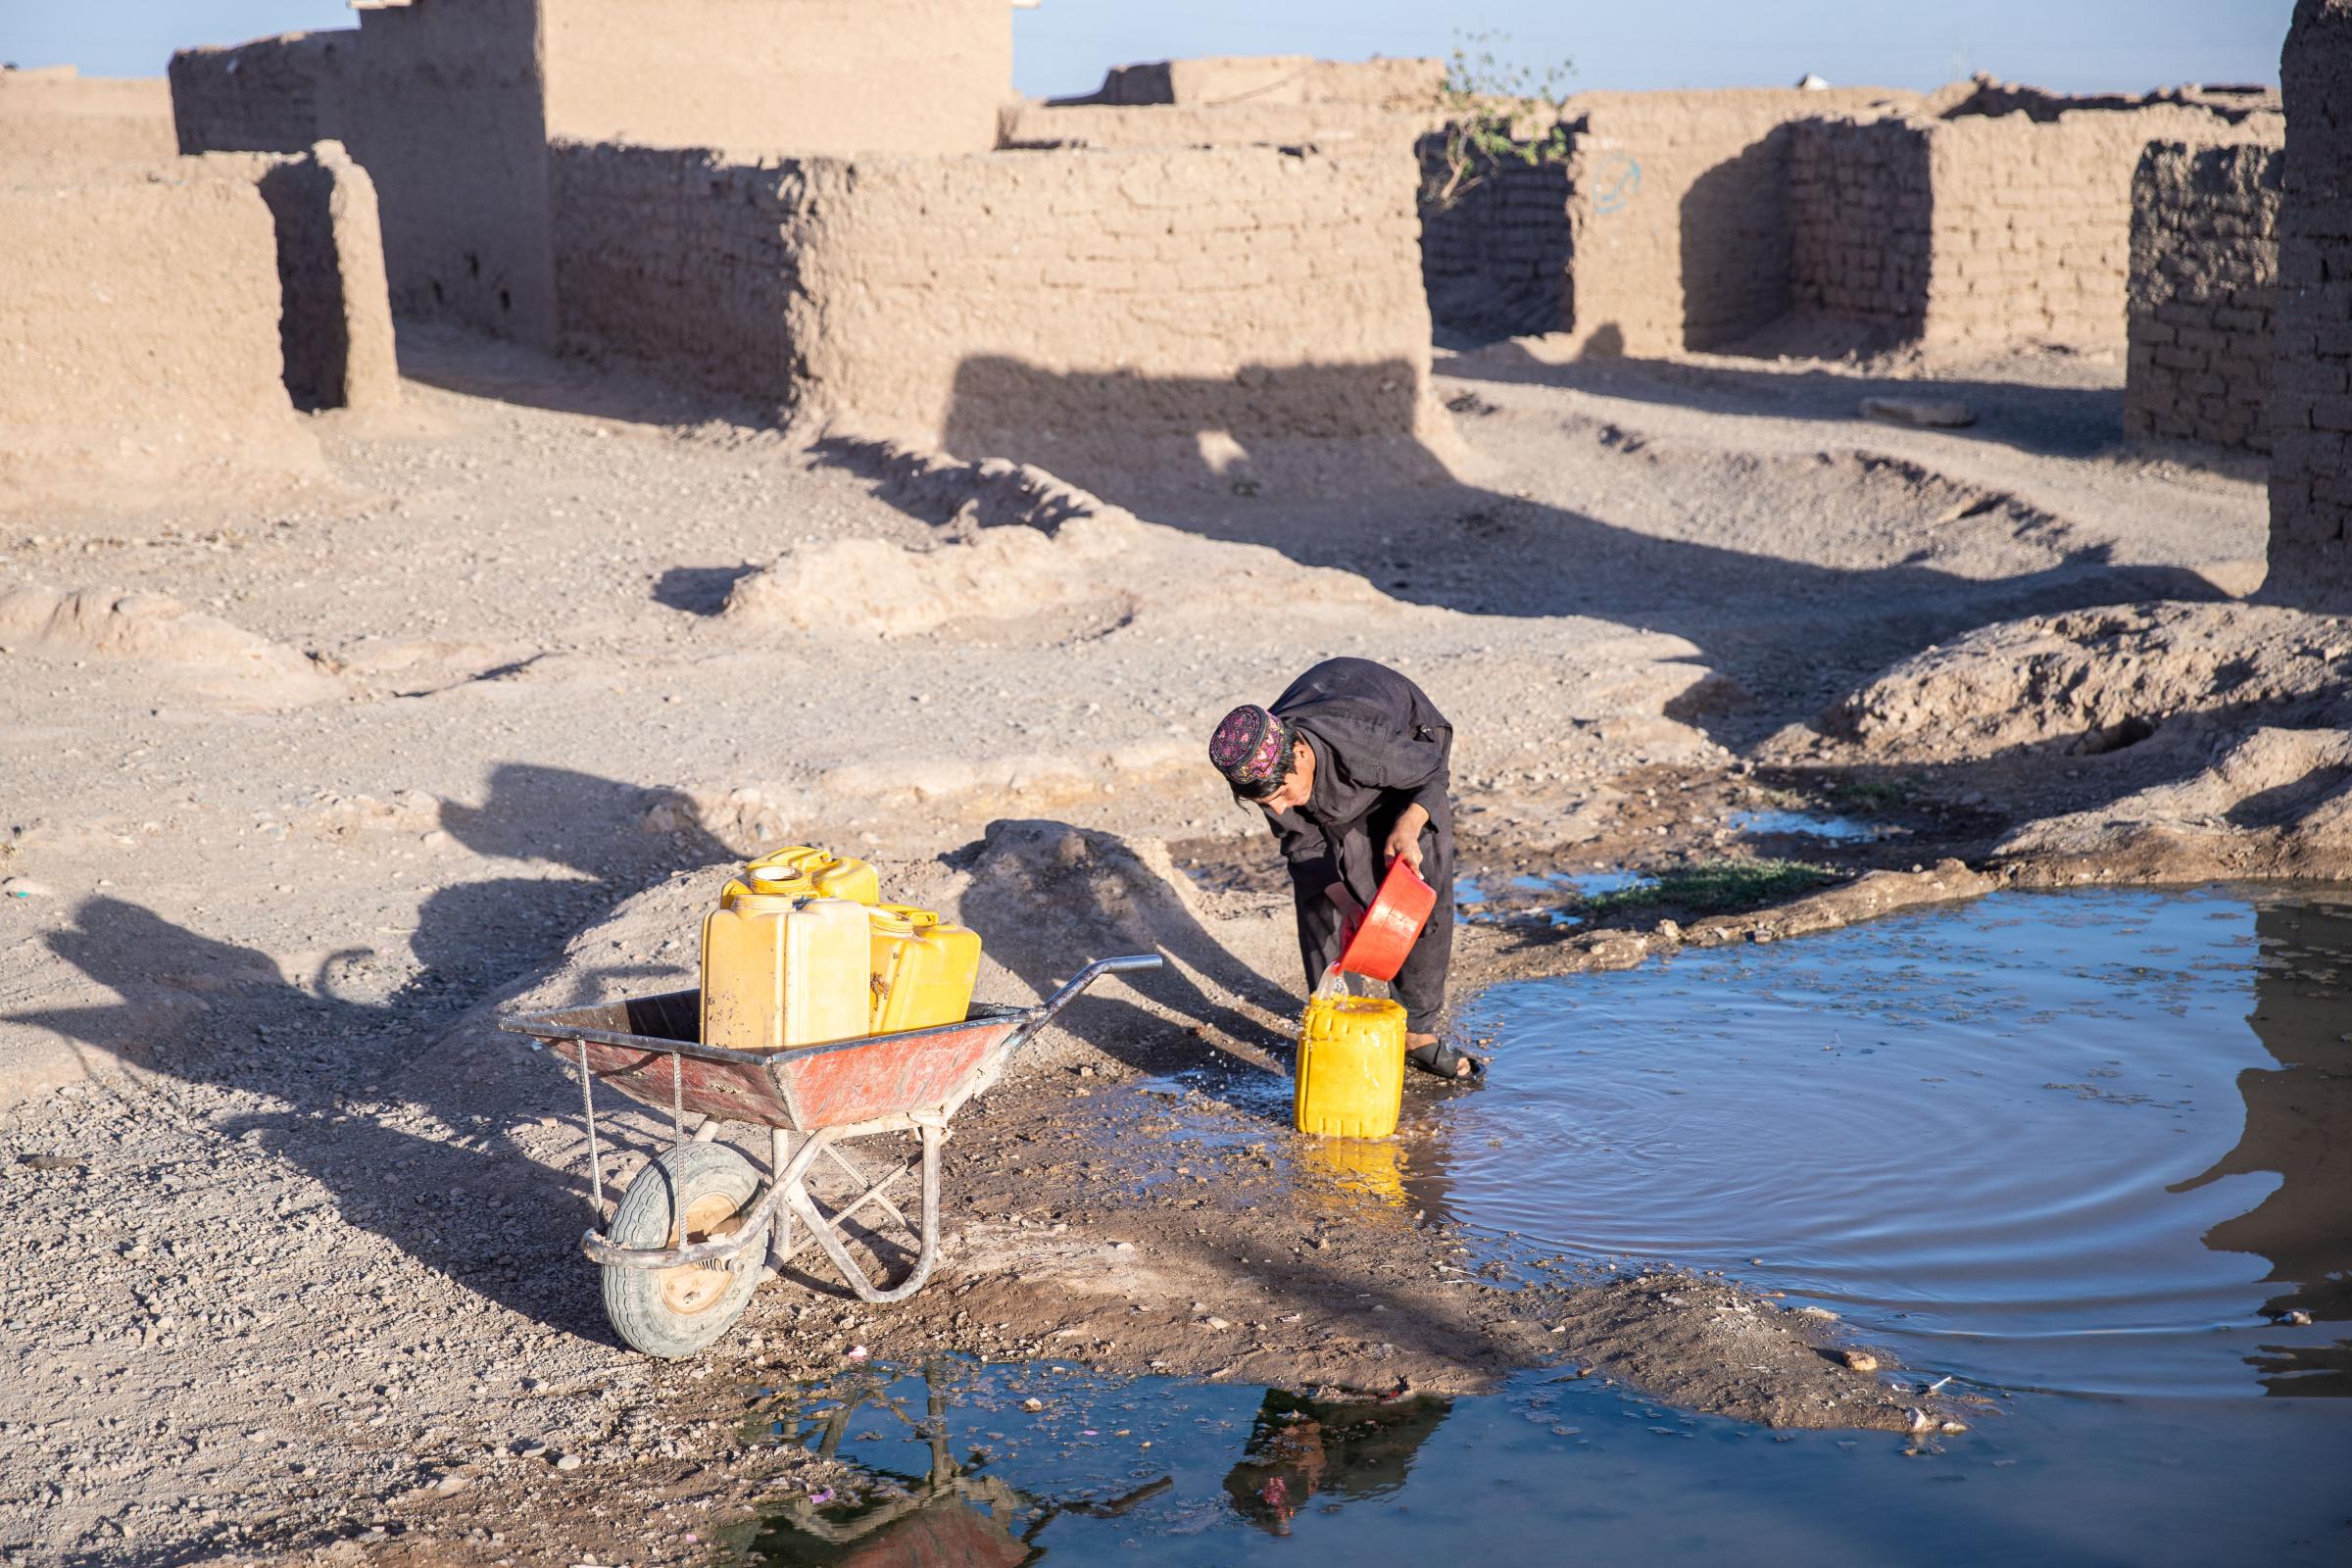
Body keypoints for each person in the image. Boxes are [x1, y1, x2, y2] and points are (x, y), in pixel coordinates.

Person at [1207, 657, 1479, 1080]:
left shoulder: (1365, 743)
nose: (1277, 808)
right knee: (1320, 896)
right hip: (1331, 788)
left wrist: (1408, 826)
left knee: (1417, 898)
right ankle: (1340, 1029)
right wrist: (1345, 902)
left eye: (1279, 793)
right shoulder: (1262, 764)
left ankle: (1417, 1033)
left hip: (1403, 779)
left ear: (1300, 753)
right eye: (1265, 804)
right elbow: (1302, 844)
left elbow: (1432, 772)